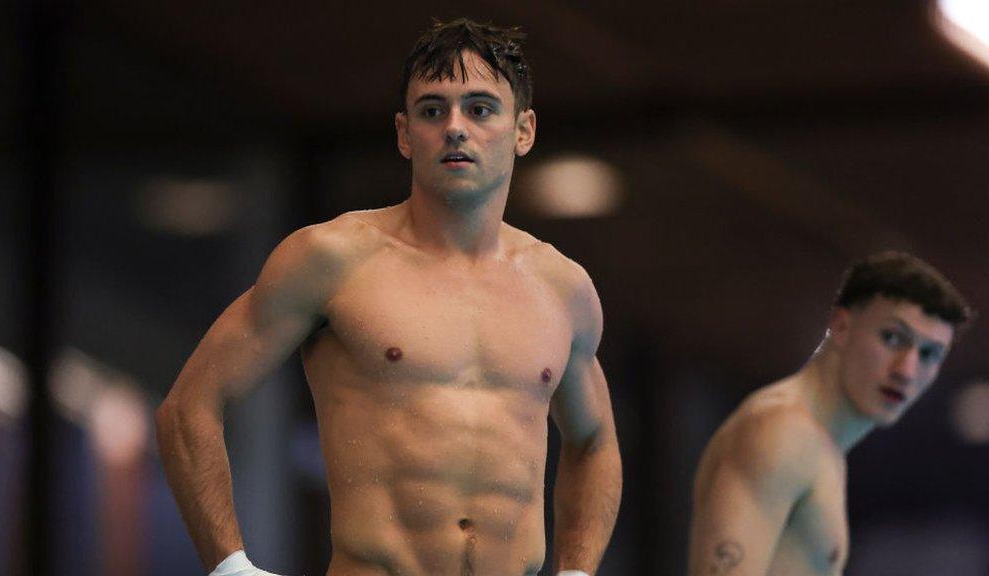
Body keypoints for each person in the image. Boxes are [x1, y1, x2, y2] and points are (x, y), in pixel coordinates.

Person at [156, 18, 622, 576]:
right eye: (432, 110)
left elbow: (595, 441)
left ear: (523, 130)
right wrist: (231, 568)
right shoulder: (331, 260)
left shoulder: (562, 288)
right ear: (404, 134)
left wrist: (577, 572)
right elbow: (189, 407)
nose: (454, 128)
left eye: (479, 109)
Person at [687, 252, 974, 575]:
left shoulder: (818, 446)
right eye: (893, 338)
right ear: (841, 326)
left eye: (929, 354)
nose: (907, 370)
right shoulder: (781, 431)